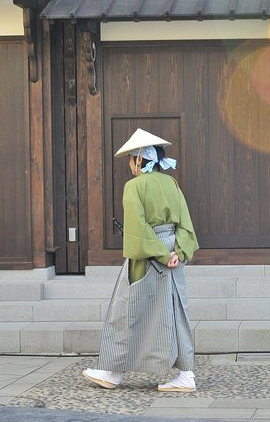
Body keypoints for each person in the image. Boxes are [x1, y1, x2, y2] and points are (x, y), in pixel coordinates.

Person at [82, 128, 200, 392]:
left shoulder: (134, 186)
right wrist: (177, 253)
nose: (130, 166)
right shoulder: (172, 184)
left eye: (131, 161)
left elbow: (137, 227)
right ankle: (186, 374)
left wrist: (159, 253)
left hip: (148, 255)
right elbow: (186, 224)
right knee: (175, 310)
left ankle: (112, 371)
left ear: (138, 161)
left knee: (128, 310)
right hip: (172, 254)